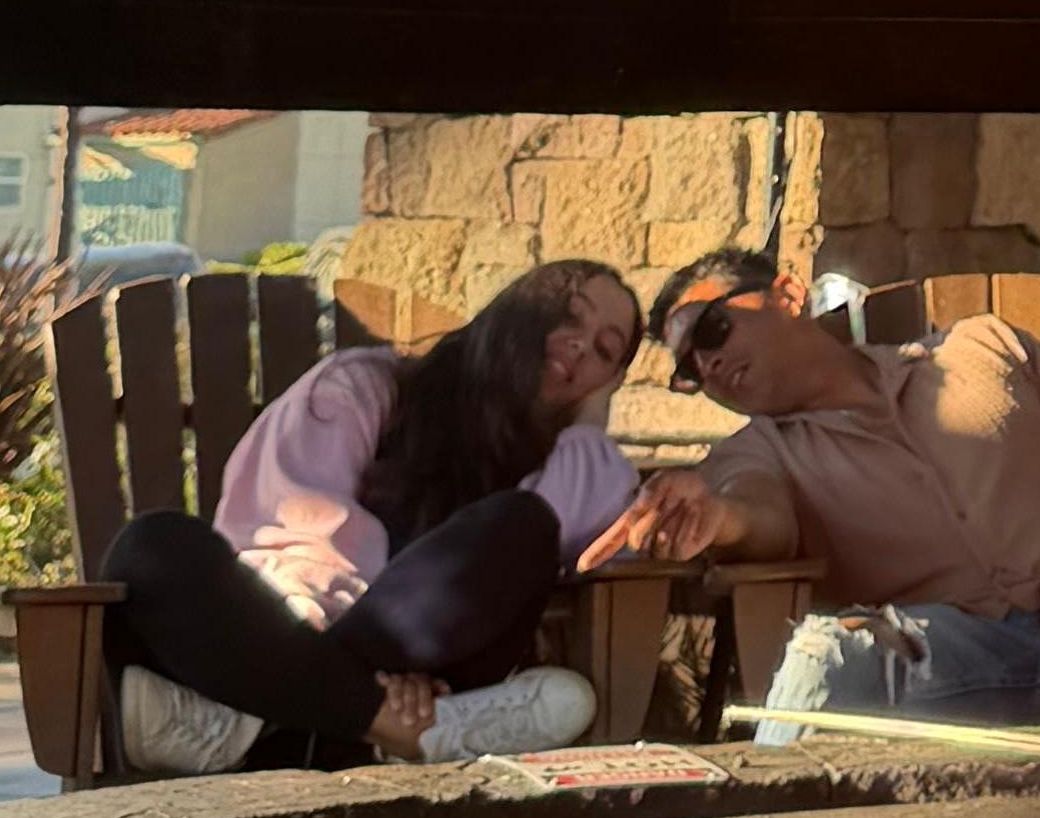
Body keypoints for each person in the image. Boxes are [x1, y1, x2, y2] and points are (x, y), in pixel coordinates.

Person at [584, 255, 1040, 731]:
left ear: (788, 294)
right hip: (949, 673)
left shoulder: (988, 349)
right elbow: (757, 511)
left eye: (713, 327)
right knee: (821, 661)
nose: (708, 361)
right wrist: (719, 518)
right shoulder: (759, 449)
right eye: (689, 368)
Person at [101, 259, 640, 775]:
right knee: (152, 547)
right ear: (518, 310)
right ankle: (395, 732)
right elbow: (301, 528)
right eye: (568, 319)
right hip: (295, 620)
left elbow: (567, 526)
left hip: (410, 667)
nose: (578, 345)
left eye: (604, 350)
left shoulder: (565, 461)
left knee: (524, 525)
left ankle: (252, 723)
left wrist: (591, 424)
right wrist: (341, 660)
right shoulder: (367, 386)